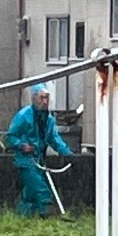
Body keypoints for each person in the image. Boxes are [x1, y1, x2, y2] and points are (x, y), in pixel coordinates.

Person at [5, 83, 73, 217]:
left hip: (40, 160)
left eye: (47, 98)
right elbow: (10, 137)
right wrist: (21, 145)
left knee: (30, 194)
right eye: (42, 98)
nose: (45, 101)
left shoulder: (49, 119)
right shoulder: (24, 116)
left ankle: (22, 217)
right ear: (34, 98)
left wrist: (67, 153)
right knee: (41, 190)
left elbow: (54, 139)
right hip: (25, 161)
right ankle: (48, 216)